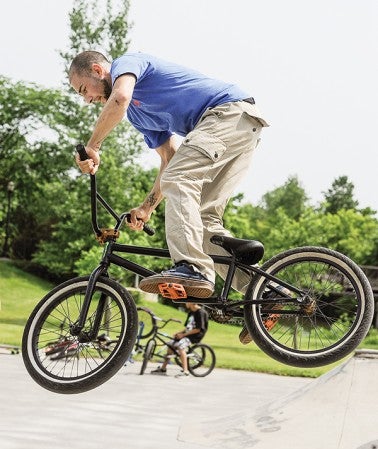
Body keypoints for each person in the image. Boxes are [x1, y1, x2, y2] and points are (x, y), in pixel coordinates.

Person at [69, 50, 268, 342]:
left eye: (84, 90)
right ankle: (268, 296)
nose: (86, 99)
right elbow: (169, 158)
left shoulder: (127, 64)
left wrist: (93, 145)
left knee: (181, 180)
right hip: (241, 128)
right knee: (202, 223)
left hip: (226, 113)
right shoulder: (139, 116)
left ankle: (192, 268)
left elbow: (120, 98)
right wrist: (148, 206)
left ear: (98, 70)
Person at [151, 303, 209, 377]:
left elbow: (198, 329)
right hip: (187, 334)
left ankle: (185, 371)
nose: (185, 303)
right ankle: (163, 368)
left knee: (180, 346)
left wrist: (183, 335)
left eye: (187, 302)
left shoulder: (200, 312)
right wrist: (179, 333)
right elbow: (187, 328)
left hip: (195, 336)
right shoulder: (191, 312)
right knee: (171, 344)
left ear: (191, 302)